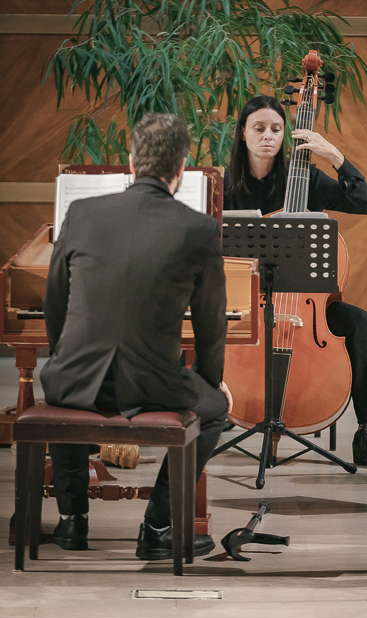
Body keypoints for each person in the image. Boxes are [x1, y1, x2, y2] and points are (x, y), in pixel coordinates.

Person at [41, 112, 230, 559]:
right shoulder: (198, 228)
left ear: (131, 161)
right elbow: (210, 322)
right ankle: (158, 527)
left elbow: (53, 301)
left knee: (61, 394)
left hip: (72, 379)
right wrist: (208, 379)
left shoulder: (82, 212)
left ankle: (71, 523)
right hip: (152, 385)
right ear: (182, 169)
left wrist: (64, 360)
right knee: (216, 409)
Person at [224, 94, 367, 469]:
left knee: (358, 321)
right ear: (242, 133)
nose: (268, 136)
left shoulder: (303, 177)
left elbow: (366, 203)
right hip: (248, 302)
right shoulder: (227, 185)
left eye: (276, 128)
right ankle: (216, 410)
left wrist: (335, 156)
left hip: (308, 307)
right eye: (259, 128)